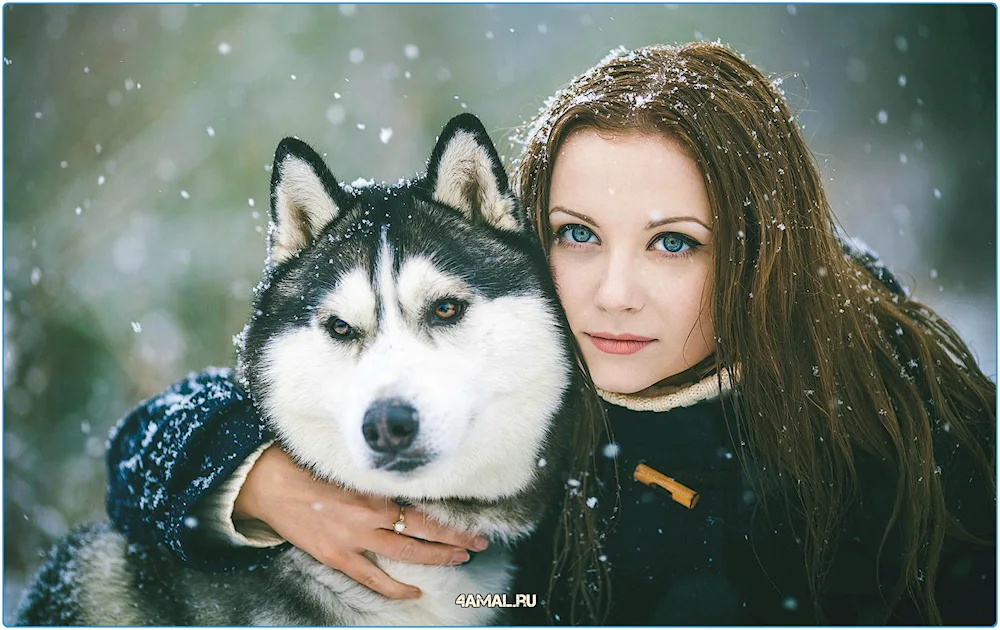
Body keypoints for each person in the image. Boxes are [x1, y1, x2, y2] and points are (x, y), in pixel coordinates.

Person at [105, 41, 995, 625]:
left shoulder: (906, 425)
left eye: (673, 243)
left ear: (761, 253)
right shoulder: (526, 376)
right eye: (576, 235)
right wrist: (256, 481)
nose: (612, 295)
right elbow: (149, 444)